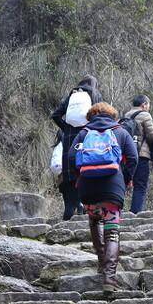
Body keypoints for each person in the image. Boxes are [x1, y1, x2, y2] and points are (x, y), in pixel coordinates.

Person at [65, 102, 138, 293]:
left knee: (95, 220)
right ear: (112, 115)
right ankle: (109, 278)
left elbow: (71, 157)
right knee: (112, 231)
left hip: (88, 186)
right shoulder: (120, 131)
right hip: (113, 186)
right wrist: (126, 178)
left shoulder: (83, 132)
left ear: (91, 116)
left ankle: (100, 261)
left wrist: (77, 178)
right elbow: (134, 158)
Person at [50, 77, 101, 221]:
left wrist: (66, 128)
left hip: (69, 144)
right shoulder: (94, 95)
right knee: (87, 182)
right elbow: (100, 116)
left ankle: (67, 219)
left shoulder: (72, 95)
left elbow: (55, 115)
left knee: (70, 189)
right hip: (87, 141)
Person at [122, 95, 153, 214]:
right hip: (141, 155)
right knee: (140, 186)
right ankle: (136, 213)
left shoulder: (125, 116)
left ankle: (118, 211)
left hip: (125, 156)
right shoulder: (145, 115)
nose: (148, 108)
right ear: (144, 104)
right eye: (148, 105)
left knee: (123, 183)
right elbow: (151, 136)